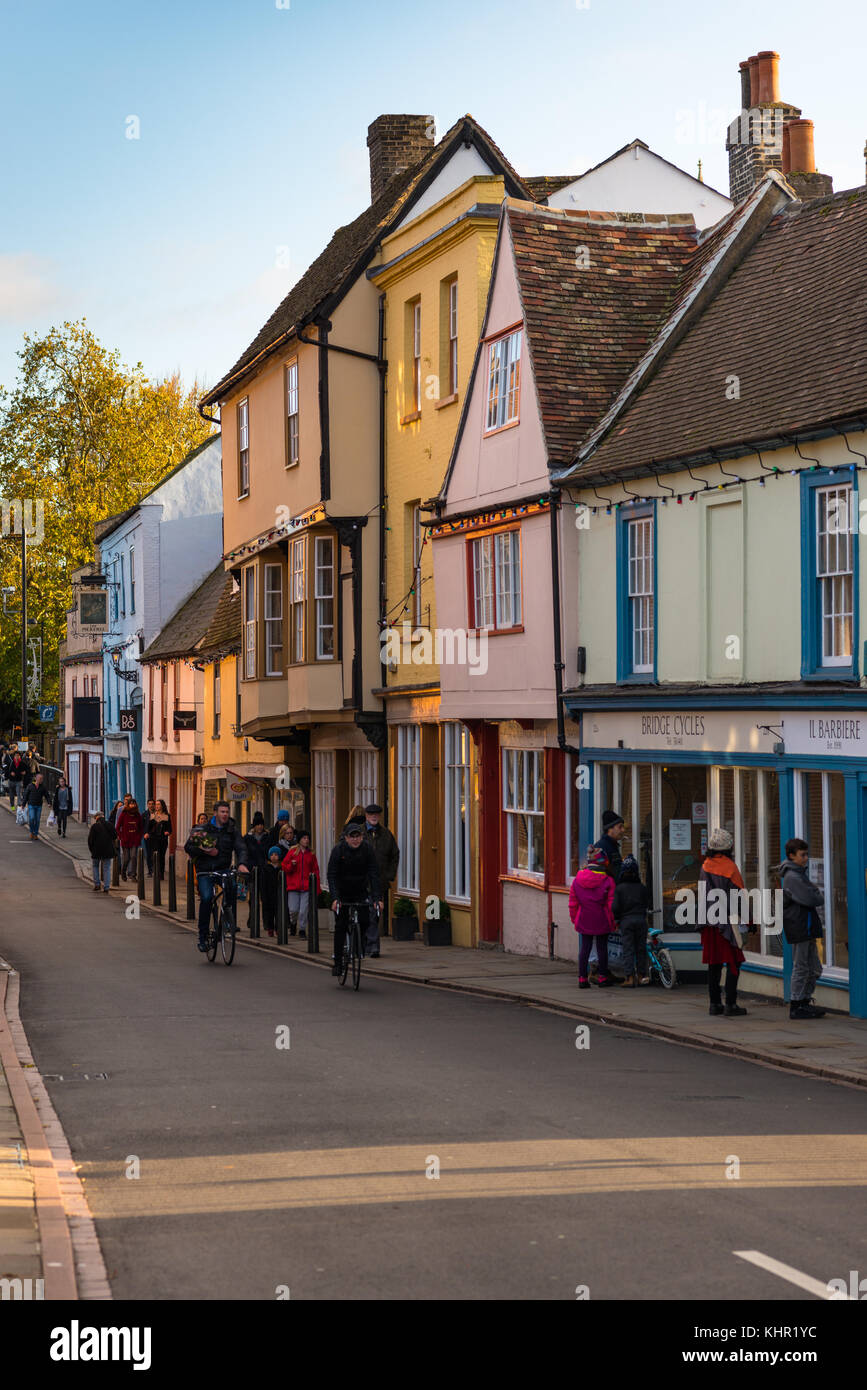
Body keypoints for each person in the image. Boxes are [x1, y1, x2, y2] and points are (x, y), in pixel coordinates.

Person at [698, 827, 757, 1017]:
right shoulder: (730, 868)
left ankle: (714, 1004)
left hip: (709, 923)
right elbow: (739, 897)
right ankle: (731, 1003)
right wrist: (749, 920)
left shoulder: (705, 866)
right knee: (734, 962)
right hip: (728, 923)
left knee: (713, 964)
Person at [184, 801, 250, 952]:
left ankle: (227, 917)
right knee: (207, 898)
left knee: (232, 887)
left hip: (223, 869)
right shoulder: (203, 829)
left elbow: (241, 848)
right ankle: (202, 936)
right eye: (222, 812)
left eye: (227, 812)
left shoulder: (232, 830)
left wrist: (242, 863)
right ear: (215, 813)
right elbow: (189, 847)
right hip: (205, 871)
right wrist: (206, 851)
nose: (225, 814)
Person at [776, 839, 827, 1020]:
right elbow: (814, 898)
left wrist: (814, 892)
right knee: (802, 967)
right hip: (800, 926)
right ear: (792, 855)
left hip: (805, 925)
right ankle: (797, 1004)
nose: (806, 858)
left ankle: (804, 1001)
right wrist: (815, 892)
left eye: (806, 854)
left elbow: (814, 895)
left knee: (814, 969)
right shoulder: (793, 877)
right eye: (802, 855)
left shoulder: (798, 873)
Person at [327, 822, 382, 977]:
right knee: (341, 926)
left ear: (362, 837)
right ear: (346, 838)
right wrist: (335, 898)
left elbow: (374, 874)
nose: (355, 840)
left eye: (358, 836)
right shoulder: (338, 850)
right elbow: (331, 875)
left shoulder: (367, 850)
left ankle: (359, 945)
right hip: (342, 892)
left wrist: (377, 898)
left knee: (365, 920)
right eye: (352, 837)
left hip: (360, 890)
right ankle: (338, 962)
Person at [569, 845, 617, 989]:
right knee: (602, 948)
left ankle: (582, 978)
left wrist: (574, 919)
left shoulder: (577, 880)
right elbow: (611, 905)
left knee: (585, 948)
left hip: (584, 917)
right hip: (602, 918)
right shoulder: (608, 881)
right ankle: (602, 977)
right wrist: (613, 921)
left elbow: (573, 903)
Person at [363, 803, 399, 957]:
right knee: (367, 914)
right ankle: (371, 946)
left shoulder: (386, 834)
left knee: (375, 915)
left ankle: (370, 945)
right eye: (371, 815)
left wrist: (389, 875)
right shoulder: (358, 833)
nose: (374, 817)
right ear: (366, 816)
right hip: (361, 883)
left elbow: (395, 855)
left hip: (379, 883)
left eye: (376, 815)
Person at [613, 854, 651, 987]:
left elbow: (615, 907)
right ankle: (641, 976)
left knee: (628, 949)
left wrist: (617, 920)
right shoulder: (642, 888)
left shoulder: (619, 889)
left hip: (626, 921)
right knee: (641, 949)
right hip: (641, 920)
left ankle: (629, 978)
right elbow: (647, 903)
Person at [282, 830, 320, 939]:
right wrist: (292, 865)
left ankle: (302, 929)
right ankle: (293, 924)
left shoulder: (311, 854)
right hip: (294, 886)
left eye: (308, 838)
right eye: (304, 838)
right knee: (293, 910)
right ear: (299, 840)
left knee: (303, 911)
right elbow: (284, 867)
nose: (306, 840)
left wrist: (317, 888)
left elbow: (316, 870)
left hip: (306, 887)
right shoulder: (292, 852)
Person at [88, 812, 118, 893]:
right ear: (103, 816)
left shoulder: (94, 826)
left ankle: (97, 884)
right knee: (107, 868)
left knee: (95, 866)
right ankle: (106, 887)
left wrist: (92, 850)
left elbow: (90, 840)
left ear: (96, 817)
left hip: (96, 850)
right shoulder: (109, 825)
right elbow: (115, 836)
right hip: (107, 850)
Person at [594, 811, 626, 883]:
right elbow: (597, 879)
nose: (623, 830)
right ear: (610, 829)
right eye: (620, 827)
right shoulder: (600, 848)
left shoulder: (613, 845)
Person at [144, 799, 172, 880]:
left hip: (163, 839)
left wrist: (168, 832)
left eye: (158, 804)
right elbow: (149, 827)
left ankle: (161, 874)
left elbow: (170, 828)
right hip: (154, 838)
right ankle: (156, 873)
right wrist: (146, 833)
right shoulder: (152, 815)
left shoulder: (167, 815)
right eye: (156, 804)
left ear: (162, 805)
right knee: (156, 856)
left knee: (162, 857)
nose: (156, 806)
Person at [116, 798, 144, 880]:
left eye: (134, 804)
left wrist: (139, 837)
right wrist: (121, 836)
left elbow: (141, 828)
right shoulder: (124, 814)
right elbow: (118, 827)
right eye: (131, 804)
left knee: (134, 856)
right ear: (128, 805)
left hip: (134, 840)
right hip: (125, 840)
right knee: (126, 858)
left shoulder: (138, 815)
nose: (132, 805)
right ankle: (123, 871)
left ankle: (133, 875)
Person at [22, 772, 51, 840]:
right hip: (31, 805)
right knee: (32, 819)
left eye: (42, 779)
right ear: (36, 778)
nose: (41, 780)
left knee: (37, 820)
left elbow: (47, 795)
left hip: (39, 806)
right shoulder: (30, 786)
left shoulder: (43, 787)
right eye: (40, 778)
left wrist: (49, 803)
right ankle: (32, 831)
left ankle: (36, 833)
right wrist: (23, 805)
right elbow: (25, 796)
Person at [263, 846, 283, 936]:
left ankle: (278, 929)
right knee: (269, 913)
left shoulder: (281, 868)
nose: (274, 857)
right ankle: (270, 929)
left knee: (279, 913)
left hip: (278, 894)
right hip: (268, 894)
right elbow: (263, 883)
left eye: (276, 855)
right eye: (272, 855)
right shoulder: (266, 868)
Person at [142, 799, 157, 873]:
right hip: (147, 837)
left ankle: (156, 869)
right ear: (147, 805)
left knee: (155, 853)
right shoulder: (144, 814)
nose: (151, 805)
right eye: (149, 804)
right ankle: (150, 870)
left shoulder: (157, 814)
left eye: (152, 804)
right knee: (148, 854)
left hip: (156, 837)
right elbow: (141, 826)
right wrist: (144, 833)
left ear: (154, 805)